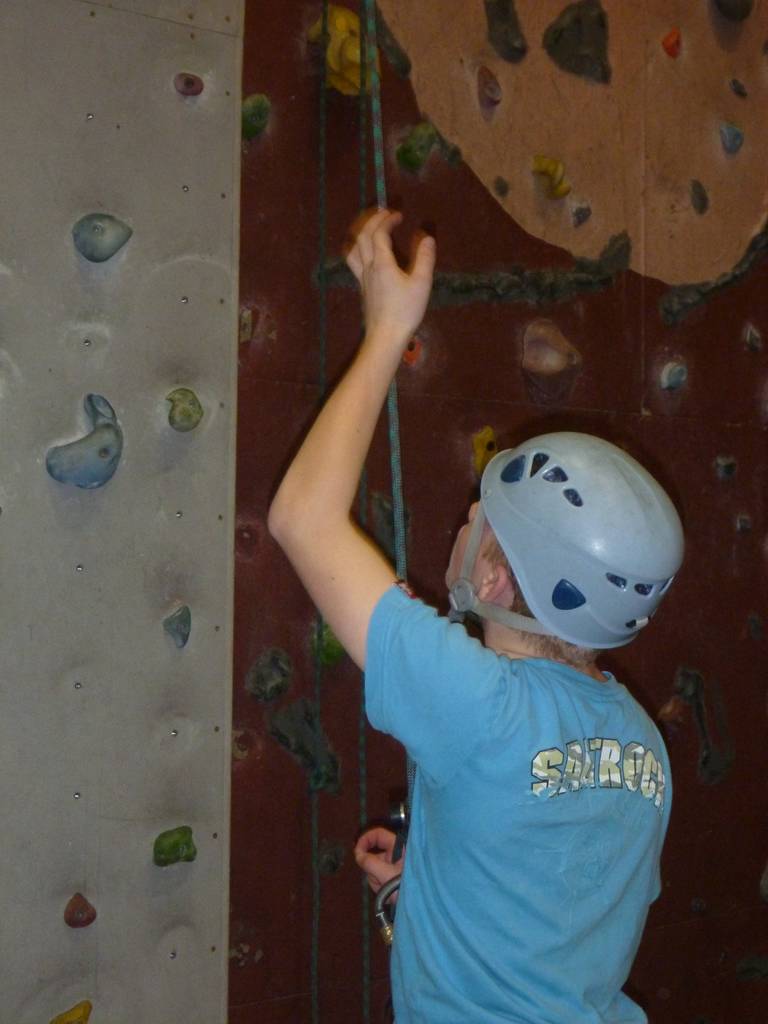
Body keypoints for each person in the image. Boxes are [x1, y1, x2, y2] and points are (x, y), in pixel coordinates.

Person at [268, 209, 684, 1023]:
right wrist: (427, 884)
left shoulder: (480, 705)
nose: (461, 523)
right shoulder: (643, 744)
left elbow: (301, 519)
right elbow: (551, 900)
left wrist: (388, 329)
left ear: (494, 576)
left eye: (474, 520)